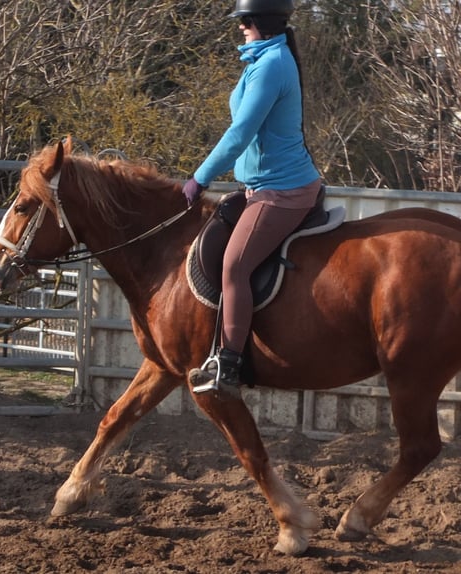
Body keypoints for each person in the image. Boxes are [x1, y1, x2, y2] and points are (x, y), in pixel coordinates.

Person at [183, 0, 322, 392]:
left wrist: (201, 177)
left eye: (245, 20)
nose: (241, 27)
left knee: (234, 266)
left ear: (262, 22)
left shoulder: (272, 65)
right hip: (259, 188)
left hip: (282, 192)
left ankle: (228, 364)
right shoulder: (261, 62)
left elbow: (240, 133)